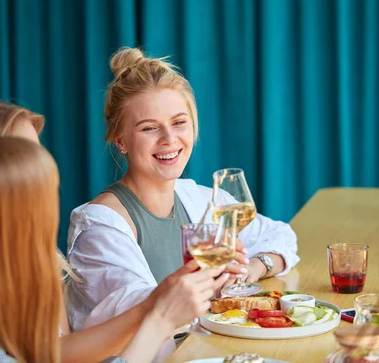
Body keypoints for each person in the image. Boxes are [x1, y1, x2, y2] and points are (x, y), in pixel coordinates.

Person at [0, 99, 229, 362]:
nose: (45, 172)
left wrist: (153, 305)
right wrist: (158, 319)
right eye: (23, 159)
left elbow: (50, 355)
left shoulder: (33, 259)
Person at [66, 47, 300, 330]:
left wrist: (250, 269)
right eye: (149, 128)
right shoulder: (100, 225)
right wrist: (214, 280)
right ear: (120, 140)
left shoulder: (199, 199)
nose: (169, 138)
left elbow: (281, 236)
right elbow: (139, 318)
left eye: (179, 123)